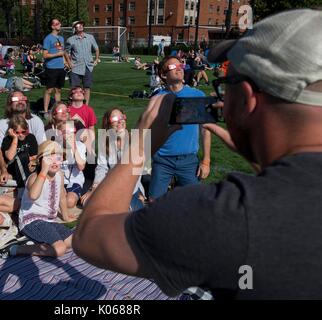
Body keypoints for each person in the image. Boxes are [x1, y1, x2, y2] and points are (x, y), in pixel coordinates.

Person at [73, 9, 322, 299]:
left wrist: (139, 146)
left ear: (247, 97)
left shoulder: (222, 215)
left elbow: (89, 235)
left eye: (226, 87)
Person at [0, 141, 77, 259]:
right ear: (40, 161)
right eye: (49, 158)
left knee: (73, 242)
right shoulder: (34, 177)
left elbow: (62, 197)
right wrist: (43, 171)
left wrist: (66, 216)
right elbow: (33, 195)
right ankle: (16, 248)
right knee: (60, 249)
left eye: (58, 158)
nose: (54, 161)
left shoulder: (60, 175)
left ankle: (39, 243)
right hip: (32, 220)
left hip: (49, 220)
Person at [148, 56, 212, 203]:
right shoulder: (156, 99)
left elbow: (205, 130)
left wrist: (206, 161)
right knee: (154, 203)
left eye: (180, 66)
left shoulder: (198, 96)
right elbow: (149, 131)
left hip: (189, 160)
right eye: (173, 67)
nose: (179, 68)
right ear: (164, 75)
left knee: (194, 203)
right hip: (162, 160)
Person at [80, 108, 145, 210]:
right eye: (115, 119)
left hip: (130, 188)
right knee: (87, 202)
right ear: (108, 124)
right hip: (109, 184)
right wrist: (94, 188)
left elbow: (137, 172)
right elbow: (102, 167)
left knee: (123, 210)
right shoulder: (105, 141)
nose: (119, 121)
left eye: (121, 117)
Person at [0, 91, 46, 185]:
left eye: (23, 99)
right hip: (11, 166)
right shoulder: (3, 123)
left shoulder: (35, 121)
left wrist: (34, 163)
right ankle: (24, 184)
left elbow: (42, 147)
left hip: (30, 165)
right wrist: (3, 170)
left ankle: (21, 186)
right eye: (16, 99)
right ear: (9, 103)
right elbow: (0, 151)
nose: (20, 101)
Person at [65, 20, 100, 104]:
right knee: (74, 89)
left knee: (87, 88)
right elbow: (65, 52)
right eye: (77, 25)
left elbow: (97, 49)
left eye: (81, 24)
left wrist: (96, 59)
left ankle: (86, 106)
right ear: (74, 28)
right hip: (75, 67)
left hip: (88, 66)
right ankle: (73, 105)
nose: (80, 26)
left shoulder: (90, 37)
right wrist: (68, 63)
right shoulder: (70, 40)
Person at [1, 115, 38, 188]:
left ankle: (21, 184)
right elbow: (10, 157)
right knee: (21, 156)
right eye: (17, 132)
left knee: (24, 157)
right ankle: (24, 185)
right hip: (13, 169)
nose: (20, 135)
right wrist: (15, 138)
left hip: (28, 167)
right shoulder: (7, 140)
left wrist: (33, 163)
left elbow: (34, 157)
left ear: (27, 129)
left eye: (23, 132)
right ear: (11, 131)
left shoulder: (30, 137)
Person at [56, 121, 86, 209]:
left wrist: (73, 147)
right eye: (65, 131)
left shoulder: (80, 146)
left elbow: (81, 167)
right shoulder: (56, 146)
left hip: (75, 181)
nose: (69, 134)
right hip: (59, 181)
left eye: (71, 131)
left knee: (69, 202)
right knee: (57, 200)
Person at [41, 18, 67, 116]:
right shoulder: (48, 38)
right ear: (52, 26)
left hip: (60, 68)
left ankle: (57, 110)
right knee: (49, 90)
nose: (59, 24)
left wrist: (65, 62)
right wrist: (57, 54)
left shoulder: (61, 38)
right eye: (57, 23)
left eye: (59, 22)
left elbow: (62, 53)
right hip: (51, 68)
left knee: (58, 90)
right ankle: (46, 111)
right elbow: (45, 55)